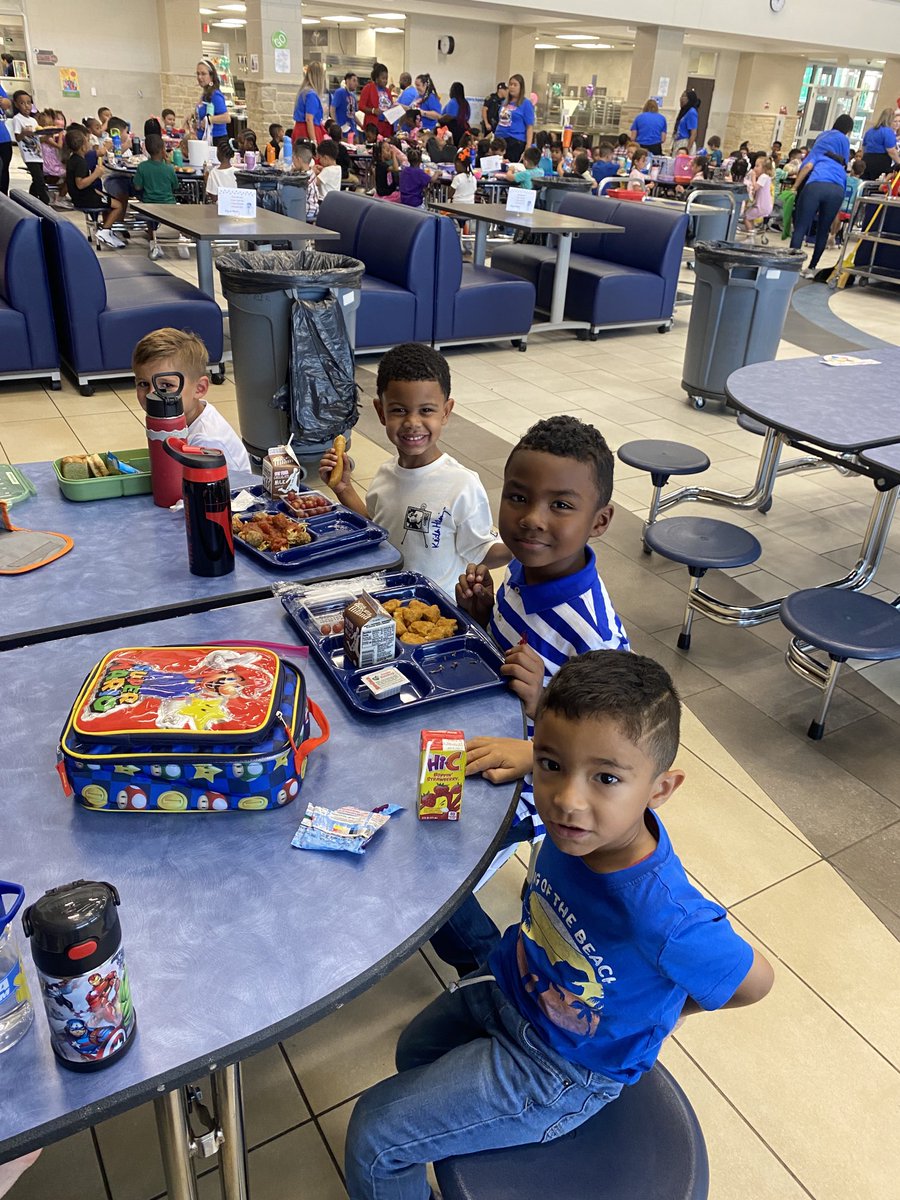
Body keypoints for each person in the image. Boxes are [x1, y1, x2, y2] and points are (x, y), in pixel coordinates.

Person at [344, 649, 775, 1198]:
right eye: (551, 765)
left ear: (660, 791)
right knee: (414, 1053)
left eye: (606, 778)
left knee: (376, 1135)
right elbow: (566, 759)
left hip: (561, 1068)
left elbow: (755, 982)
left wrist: (664, 1014)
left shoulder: (665, 915)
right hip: (510, 987)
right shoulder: (586, 827)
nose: (568, 801)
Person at [429, 414, 630, 976]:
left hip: (538, 779)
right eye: (518, 497)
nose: (532, 520)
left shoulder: (594, 632)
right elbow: (508, 657)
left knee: (432, 867)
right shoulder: (523, 566)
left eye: (561, 505)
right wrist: (479, 616)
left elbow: (615, 743)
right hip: (486, 730)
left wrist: (540, 736)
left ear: (600, 521)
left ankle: (485, 967)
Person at [318, 343, 508, 596]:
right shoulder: (385, 475)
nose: (412, 423)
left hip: (438, 613)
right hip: (388, 600)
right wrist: (344, 489)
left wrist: (523, 547)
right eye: (399, 410)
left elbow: (482, 551)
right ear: (381, 412)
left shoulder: (461, 484)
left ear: (446, 412)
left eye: (426, 410)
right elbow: (378, 530)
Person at [133, 329, 250, 473]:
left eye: (167, 385)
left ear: (199, 389)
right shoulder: (177, 419)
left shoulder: (206, 441)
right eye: (143, 384)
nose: (152, 394)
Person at [791, 113, 854, 278]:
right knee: (823, 230)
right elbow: (845, 172)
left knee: (801, 227)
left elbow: (806, 167)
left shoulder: (820, 148)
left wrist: (795, 187)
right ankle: (812, 268)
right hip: (837, 190)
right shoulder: (841, 162)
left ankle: (791, 266)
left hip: (815, 185)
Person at [64, 125, 126, 248]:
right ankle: (105, 230)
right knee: (118, 205)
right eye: (88, 141)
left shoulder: (73, 159)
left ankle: (108, 230)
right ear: (83, 147)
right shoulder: (80, 162)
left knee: (110, 200)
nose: (90, 144)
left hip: (84, 195)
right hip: (84, 198)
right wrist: (96, 175)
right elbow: (80, 184)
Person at [134, 133, 187, 259]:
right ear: (163, 149)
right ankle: (179, 238)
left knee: (150, 219)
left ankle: (153, 240)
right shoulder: (169, 168)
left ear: (146, 149)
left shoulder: (142, 167)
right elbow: (175, 186)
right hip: (169, 204)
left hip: (149, 205)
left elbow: (137, 187)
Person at [12, 90, 50, 203]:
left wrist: (48, 135)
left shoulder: (33, 120)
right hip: (29, 156)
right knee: (39, 180)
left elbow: (38, 138)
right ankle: (45, 202)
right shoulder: (17, 119)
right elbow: (17, 137)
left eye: (29, 103)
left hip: (38, 155)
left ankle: (30, 200)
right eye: (22, 103)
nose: (26, 106)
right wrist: (24, 132)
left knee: (38, 179)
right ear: (16, 104)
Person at [495, 73, 535, 162]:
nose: (512, 87)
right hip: (499, 139)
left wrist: (528, 146)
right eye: (510, 84)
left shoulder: (526, 103)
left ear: (521, 87)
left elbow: (529, 126)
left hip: (515, 141)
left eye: (515, 85)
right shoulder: (505, 102)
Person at [830, 157, 867, 245]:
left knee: (837, 214)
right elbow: (859, 197)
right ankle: (837, 235)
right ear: (862, 172)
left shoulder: (845, 179)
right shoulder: (861, 183)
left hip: (839, 205)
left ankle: (832, 234)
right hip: (851, 209)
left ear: (852, 169)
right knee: (842, 215)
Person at [195, 58, 229, 146]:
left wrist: (209, 120)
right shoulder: (205, 94)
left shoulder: (215, 95)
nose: (200, 77)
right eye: (198, 74)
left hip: (216, 140)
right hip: (204, 138)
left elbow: (226, 118)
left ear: (211, 76)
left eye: (203, 74)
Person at [860, 107, 900, 180]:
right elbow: (891, 151)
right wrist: (899, 161)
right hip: (880, 162)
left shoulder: (870, 131)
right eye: (895, 121)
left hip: (866, 160)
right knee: (877, 186)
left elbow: (863, 147)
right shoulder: (888, 131)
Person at [293, 62, 326, 146]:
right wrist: (313, 141)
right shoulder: (311, 94)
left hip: (299, 130)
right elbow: (309, 119)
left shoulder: (303, 92)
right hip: (308, 132)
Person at [359, 63, 394, 140]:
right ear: (377, 78)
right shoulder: (368, 88)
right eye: (383, 78)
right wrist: (373, 110)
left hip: (387, 125)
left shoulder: (388, 91)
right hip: (374, 125)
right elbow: (361, 106)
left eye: (386, 78)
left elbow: (390, 105)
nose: (385, 81)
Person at [742, 154, 774, 233]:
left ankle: (750, 236)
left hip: (761, 206)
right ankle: (751, 232)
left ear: (764, 168)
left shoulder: (764, 176)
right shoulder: (765, 177)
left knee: (746, 217)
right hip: (762, 205)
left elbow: (755, 187)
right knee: (750, 217)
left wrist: (753, 177)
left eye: (757, 166)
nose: (754, 168)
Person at [440, 80, 470, 146]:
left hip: (452, 130)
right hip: (463, 129)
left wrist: (439, 119)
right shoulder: (465, 103)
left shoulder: (453, 102)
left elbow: (449, 116)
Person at [672, 88, 700, 155]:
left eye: (684, 96)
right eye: (681, 96)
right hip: (678, 142)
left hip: (685, 143)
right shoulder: (684, 112)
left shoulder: (691, 112)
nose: (681, 98)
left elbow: (693, 133)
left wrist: (687, 150)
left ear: (689, 99)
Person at [331, 70, 358, 138]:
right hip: (342, 129)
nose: (356, 84)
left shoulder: (353, 96)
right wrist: (335, 125)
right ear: (347, 81)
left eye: (356, 81)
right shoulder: (340, 92)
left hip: (352, 128)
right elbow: (332, 109)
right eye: (354, 80)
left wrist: (361, 125)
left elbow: (353, 114)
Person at [0, 81, 11, 194]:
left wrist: (3, 101)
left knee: (4, 170)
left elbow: (7, 104)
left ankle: (3, 199)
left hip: (3, 137)